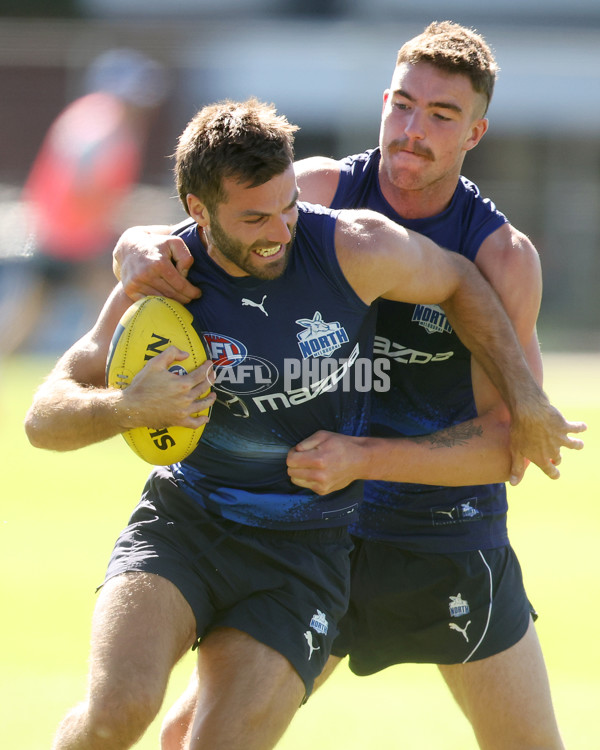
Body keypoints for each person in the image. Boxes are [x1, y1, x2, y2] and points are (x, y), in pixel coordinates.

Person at [25, 97, 583, 750]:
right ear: (198, 209)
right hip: (184, 525)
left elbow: (460, 279)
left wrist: (525, 392)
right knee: (115, 712)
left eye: (288, 204)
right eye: (255, 216)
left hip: (301, 554)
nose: (280, 230)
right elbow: (44, 417)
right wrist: (129, 409)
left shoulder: (349, 247)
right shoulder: (165, 277)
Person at [0, 48, 168, 358]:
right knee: (108, 309)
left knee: (33, 315)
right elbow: (84, 186)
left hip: (58, 231)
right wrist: (123, 211)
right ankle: (98, 369)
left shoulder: (91, 116)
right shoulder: (105, 125)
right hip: (74, 237)